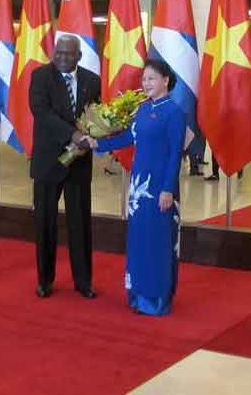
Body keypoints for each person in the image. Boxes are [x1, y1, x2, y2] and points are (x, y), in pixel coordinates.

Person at [86, 59, 186, 316]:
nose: (146, 83)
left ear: (166, 80)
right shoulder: (142, 110)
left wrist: (168, 189)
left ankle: (157, 299)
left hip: (160, 189)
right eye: (144, 79)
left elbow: (175, 154)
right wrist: (97, 144)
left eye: (152, 78)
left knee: (159, 242)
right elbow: (128, 137)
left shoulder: (175, 112)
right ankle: (138, 295)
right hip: (139, 190)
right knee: (139, 241)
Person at [29, 34, 100, 299]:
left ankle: (83, 282)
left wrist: (91, 137)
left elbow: (96, 115)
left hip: (79, 163)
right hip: (48, 163)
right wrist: (72, 135)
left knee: (80, 224)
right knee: (44, 223)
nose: (62, 57)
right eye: (58, 52)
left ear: (78, 56)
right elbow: (41, 112)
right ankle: (44, 280)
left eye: (68, 54)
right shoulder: (40, 77)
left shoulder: (92, 81)